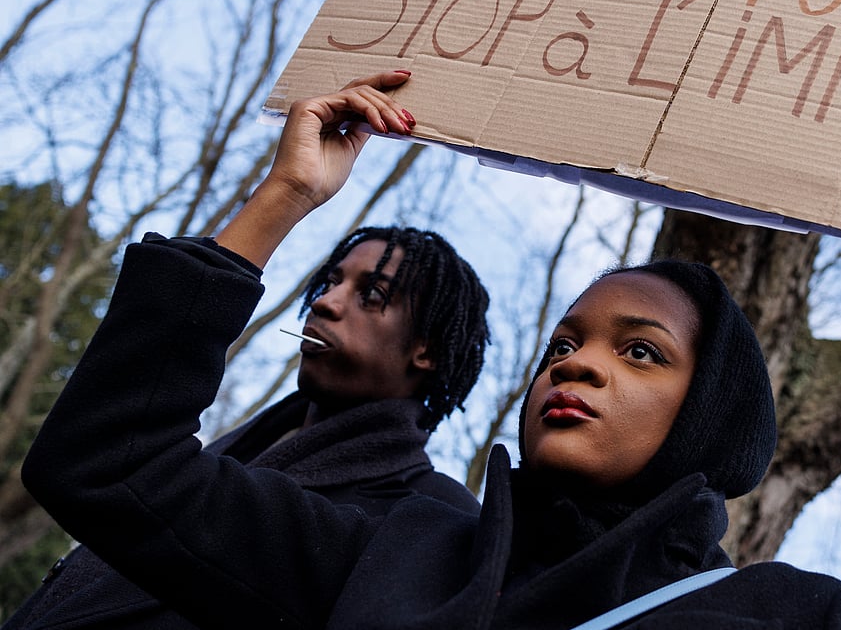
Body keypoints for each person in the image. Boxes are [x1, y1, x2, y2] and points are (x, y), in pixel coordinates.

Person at [19, 71, 841, 629]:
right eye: (567, 341)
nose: (575, 365)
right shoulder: (393, 545)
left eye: (641, 352)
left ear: (709, 415)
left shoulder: (789, 619)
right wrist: (281, 200)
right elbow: (105, 463)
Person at [6, 71, 491, 629]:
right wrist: (289, 188)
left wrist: (287, 193)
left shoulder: (428, 523)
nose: (327, 302)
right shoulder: (239, 450)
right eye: (330, 281)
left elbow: (107, 459)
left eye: (372, 294)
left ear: (428, 351)